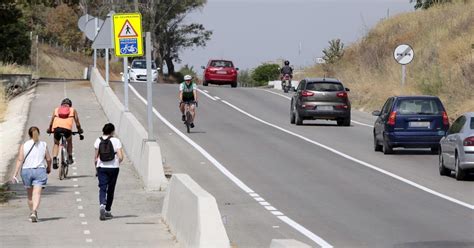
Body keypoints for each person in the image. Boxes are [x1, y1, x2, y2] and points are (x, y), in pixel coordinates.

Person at [11, 127, 52, 222]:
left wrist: (15, 174)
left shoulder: (24, 145)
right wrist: (49, 167)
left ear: (29, 134)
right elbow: (49, 159)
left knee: (30, 195)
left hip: (26, 171)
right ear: (39, 133)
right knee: (37, 193)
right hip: (40, 171)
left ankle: (32, 212)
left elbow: (20, 159)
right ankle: (34, 211)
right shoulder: (43, 144)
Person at [94, 123, 123, 221]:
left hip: (101, 167)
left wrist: (96, 168)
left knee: (102, 187)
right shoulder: (116, 141)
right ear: (112, 131)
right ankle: (108, 210)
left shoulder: (98, 140)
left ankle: (102, 204)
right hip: (114, 168)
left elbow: (95, 157)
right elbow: (121, 157)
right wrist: (116, 163)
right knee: (111, 189)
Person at [47, 98, 83, 169]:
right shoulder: (72, 110)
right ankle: (70, 156)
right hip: (67, 130)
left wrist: (49, 129)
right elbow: (77, 123)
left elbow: (51, 122)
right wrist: (79, 130)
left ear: (61, 104)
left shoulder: (56, 110)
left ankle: (54, 158)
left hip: (57, 129)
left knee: (56, 143)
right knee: (69, 141)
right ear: (70, 105)